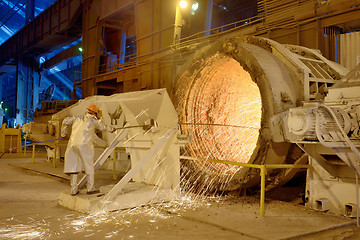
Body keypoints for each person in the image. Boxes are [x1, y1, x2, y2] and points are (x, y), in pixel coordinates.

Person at [61, 104, 114, 195]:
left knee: (74, 166)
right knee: (88, 165)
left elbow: (65, 121)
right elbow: (103, 127)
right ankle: (90, 188)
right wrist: (112, 129)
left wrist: (63, 134)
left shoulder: (77, 117)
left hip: (72, 144)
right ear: (94, 112)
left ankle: (73, 190)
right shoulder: (93, 120)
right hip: (84, 145)